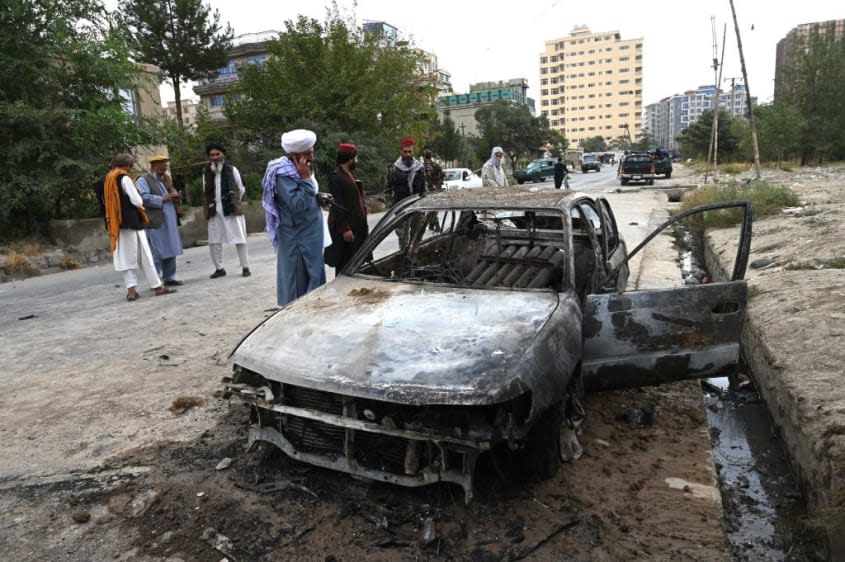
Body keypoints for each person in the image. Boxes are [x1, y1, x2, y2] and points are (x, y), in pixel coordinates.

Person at [261, 129, 330, 307]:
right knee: (299, 283)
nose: (312, 156)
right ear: (297, 155)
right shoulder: (283, 174)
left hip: (310, 236)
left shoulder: (301, 169)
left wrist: (318, 196)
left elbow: (306, 196)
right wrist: (306, 180)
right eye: (308, 153)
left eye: (312, 151)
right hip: (298, 239)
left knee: (314, 276)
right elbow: (297, 204)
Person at [101, 153, 175, 301]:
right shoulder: (124, 178)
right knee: (146, 256)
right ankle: (157, 286)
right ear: (128, 166)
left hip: (117, 224)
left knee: (126, 258)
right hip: (132, 223)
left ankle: (131, 291)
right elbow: (137, 200)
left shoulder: (107, 179)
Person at [203, 142, 251, 278]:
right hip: (214, 210)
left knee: (240, 238)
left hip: (231, 208)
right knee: (213, 241)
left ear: (222, 154)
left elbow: (241, 188)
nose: (215, 157)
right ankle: (219, 268)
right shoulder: (206, 171)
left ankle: (245, 266)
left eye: (217, 154)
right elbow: (205, 189)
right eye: (212, 155)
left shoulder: (232, 169)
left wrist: (234, 201)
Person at [136, 155, 184, 286]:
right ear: (153, 167)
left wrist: (175, 196)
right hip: (155, 221)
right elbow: (142, 198)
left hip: (169, 220)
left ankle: (170, 277)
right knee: (156, 252)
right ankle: (156, 280)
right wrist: (162, 199)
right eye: (161, 167)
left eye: (165, 167)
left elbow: (171, 194)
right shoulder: (143, 180)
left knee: (170, 248)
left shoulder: (166, 179)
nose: (163, 169)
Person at [326, 143, 368, 272]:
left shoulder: (348, 174)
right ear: (350, 159)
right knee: (345, 266)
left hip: (357, 228)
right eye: (356, 158)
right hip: (347, 231)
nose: (356, 161)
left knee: (357, 264)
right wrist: (345, 229)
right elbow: (337, 206)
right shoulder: (336, 177)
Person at [384, 138, 425, 252]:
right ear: (401, 152)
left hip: (417, 205)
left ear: (413, 152)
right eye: (405, 152)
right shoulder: (394, 168)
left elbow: (424, 187)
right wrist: (390, 205)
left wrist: (425, 202)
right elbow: (387, 188)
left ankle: (414, 254)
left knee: (417, 233)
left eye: (409, 152)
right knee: (403, 235)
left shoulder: (419, 168)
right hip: (401, 206)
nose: (407, 154)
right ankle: (404, 255)